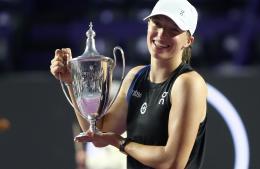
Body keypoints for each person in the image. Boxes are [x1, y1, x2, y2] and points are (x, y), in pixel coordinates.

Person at [50, 0, 207, 168]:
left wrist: (120, 143)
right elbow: (99, 133)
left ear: (188, 41)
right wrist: (73, 82)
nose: (161, 34)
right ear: (148, 25)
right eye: (157, 24)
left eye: (173, 30)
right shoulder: (135, 76)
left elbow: (172, 162)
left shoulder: (188, 83)